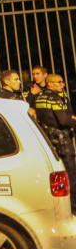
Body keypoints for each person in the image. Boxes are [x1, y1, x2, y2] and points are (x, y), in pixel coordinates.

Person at [32, 74, 76, 215]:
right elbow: (63, 120)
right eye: (59, 82)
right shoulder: (55, 98)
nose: (62, 85)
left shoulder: (39, 97)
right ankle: (73, 206)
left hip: (49, 141)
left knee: (55, 174)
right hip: (62, 140)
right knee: (70, 175)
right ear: (50, 84)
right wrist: (73, 120)